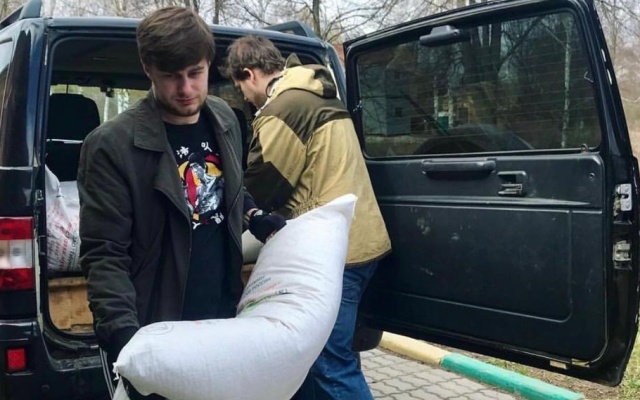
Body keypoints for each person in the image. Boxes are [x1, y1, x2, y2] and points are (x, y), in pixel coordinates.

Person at [78, 9, 285, 400]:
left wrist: (253, 214)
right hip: (156, 327)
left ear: (208, 64)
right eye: (172, 75)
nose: (186, 88)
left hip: (222, 315)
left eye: (195, 72)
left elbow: (224, 188)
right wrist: (124, 336)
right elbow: (104, 254)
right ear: (148, 68)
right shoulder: (111, 145)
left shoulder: (225, 118)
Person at [224, 35, 392, 399]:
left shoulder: (283, 108)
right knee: (331, 355)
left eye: (240, 88)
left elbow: (265, 185)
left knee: (330, 364)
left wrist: (234, 203)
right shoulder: (318, 92)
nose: (245, 98)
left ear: (249, 74)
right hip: (362, 241)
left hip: (334, 252)